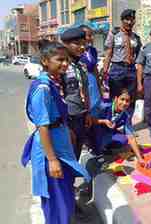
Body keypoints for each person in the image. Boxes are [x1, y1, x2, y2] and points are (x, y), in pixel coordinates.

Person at [21, 41, 91, 223]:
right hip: (50, 152)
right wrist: (52, 160)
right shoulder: (43, 88)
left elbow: (55, 116)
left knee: (64, 196)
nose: (65, 64)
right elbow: (43, 125)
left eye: (66, 60)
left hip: (59, 144)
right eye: (60, 60)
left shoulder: (53, 83)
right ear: (45, 61)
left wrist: (66, 130)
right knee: (56, 202)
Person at [90, 89, 148, 167]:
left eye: (127, 101)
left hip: (107, 131)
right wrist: (104, 121)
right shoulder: (104, 105)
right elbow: (89, 120)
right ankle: (94, 151)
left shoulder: (126, 115)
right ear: (116, 98)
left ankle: (104, 147)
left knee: (123, 140)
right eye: (122, 99)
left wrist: (139, 158)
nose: (124, 103)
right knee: (100, 137)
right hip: (93, 129)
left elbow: (130, 137)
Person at [60, 27, 92, 160]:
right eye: (77, 44)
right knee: (68, 154)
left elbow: (85, 90)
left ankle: (71, 179)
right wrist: (63, 124)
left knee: (77, 150)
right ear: (66, 45)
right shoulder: (62, 67)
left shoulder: (82, 66)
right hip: (68, 118)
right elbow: (58, 96)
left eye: (84, 44)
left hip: (81, 115)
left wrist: (88, 113)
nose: (82, 47)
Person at [103, 9, 141, 108]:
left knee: (130, 99)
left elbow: (139, 58)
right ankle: (114, 121)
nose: (129, 22)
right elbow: (108, 54)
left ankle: (128, 122)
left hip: (131, 70)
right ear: (122, 20)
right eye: (127, 19)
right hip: (117, 69)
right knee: (115, 99)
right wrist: (104, 71)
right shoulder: (114, 33)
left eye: (132, 19)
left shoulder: (136, 37)